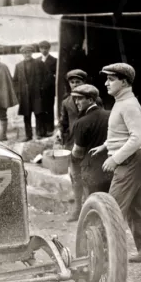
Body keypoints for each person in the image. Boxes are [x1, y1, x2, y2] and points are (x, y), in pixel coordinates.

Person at [89, 63, 141, 264]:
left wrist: (114, 158)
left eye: (111, 79)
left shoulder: (129, 105)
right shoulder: (121, 101)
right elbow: (120, 134)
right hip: (131, 159)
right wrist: (105, 146)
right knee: (135, 209)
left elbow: (136, 138)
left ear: (125, 82)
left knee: (112, 208)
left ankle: (102, 255)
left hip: (132, 160)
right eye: (107, 79)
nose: (106, 83)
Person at [69, 84, 113, 201]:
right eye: (75, 99)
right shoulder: (110, 115)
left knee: (93, 204)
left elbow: (78, 153)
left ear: (90, 100)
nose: (76, 102)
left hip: (91, 172)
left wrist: (71, 159)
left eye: (79, 98)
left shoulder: (81, 123)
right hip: (111, 168)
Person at [55, 69, 88, 221]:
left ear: (84, 83)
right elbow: (64, 122)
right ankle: (78, 208)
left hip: (88, 143)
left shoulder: (92, 98)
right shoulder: (66, 102)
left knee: (88, 175)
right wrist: (60, 132)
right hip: (72, 143)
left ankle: (90, 207)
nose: (75, 85)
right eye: (72, 82)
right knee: (75, 176)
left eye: (78, 82)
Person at [14, 45, 48, 141]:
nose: (27, 54)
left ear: (31, 53)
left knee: (39, 114)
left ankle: (39, 134)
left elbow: (46, 77)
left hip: (37, 94)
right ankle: (28, 136)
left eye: (28, 52)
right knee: (26, 116)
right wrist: (18, 94)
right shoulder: (18, 66)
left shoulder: (39, 63)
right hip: (24, 96)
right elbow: (15, 81)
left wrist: (42, 89)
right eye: (25, 53)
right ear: (22, 54)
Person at [38, 40, 58, 136]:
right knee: (41, 109)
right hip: (39, 90)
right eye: (42, 48)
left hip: (49, 89)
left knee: (49, 108)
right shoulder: (37, 60)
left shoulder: (54, 60)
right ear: (39, 49)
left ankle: (50, 128)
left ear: (49, 49)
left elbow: (55, 75)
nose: (44, 50)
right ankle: (42, 130)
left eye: (46, 48)